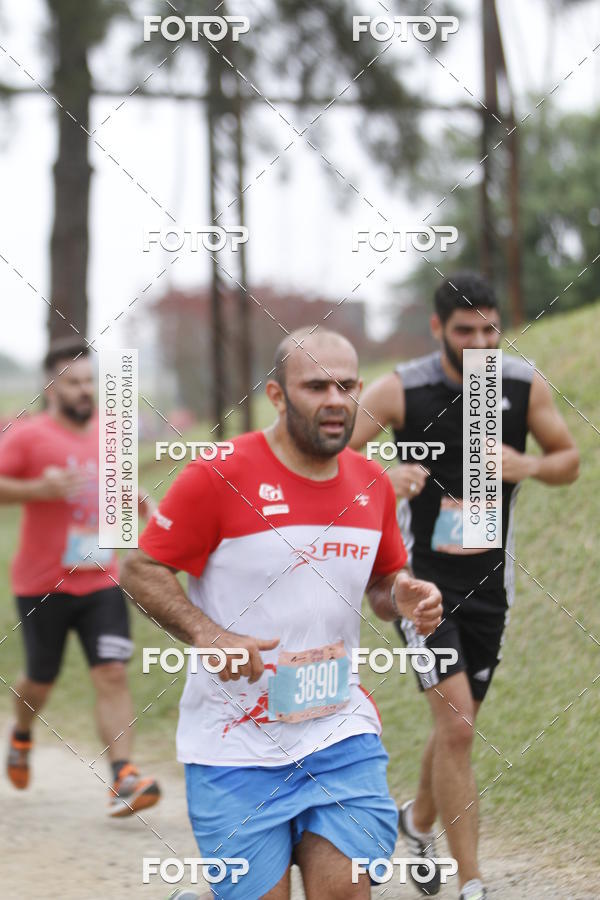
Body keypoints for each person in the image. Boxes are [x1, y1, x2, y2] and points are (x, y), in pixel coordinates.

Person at [121, 328, 443, 900]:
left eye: (347, 386)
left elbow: (381, 583)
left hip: (338, 730)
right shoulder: (220, 474)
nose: (335, 400)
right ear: (276, 395)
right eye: (316, 386)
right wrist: (209, 633)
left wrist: (403, 596)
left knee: (344, 890)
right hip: (233, 744)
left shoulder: (371, 483)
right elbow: (141, 568)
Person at [350, 272, 580, 900]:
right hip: (419, 586)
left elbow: (568, 460)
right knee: (456, 728)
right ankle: (472, 882)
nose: (480, 343)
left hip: (490, 587)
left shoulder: (522, 386)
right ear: (437, 329)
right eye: (465, 331)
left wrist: (530, 464)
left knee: (460, 722)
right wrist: (381, 477)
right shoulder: (403, 389)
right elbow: (327, 457)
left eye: (490, 330)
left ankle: (417, 821)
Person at [0, 337, 160, 817]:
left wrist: (138, 501)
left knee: (112, 672)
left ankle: (124, 776)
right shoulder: (28, 437)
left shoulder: (112, 432)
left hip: (102, 578)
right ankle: (21, 734)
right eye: (73, 382)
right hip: (42, 583)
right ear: (51, 388)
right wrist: (37, 488)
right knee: (40, 679)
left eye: (90, 381)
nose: (85, 390)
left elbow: (116, 486)